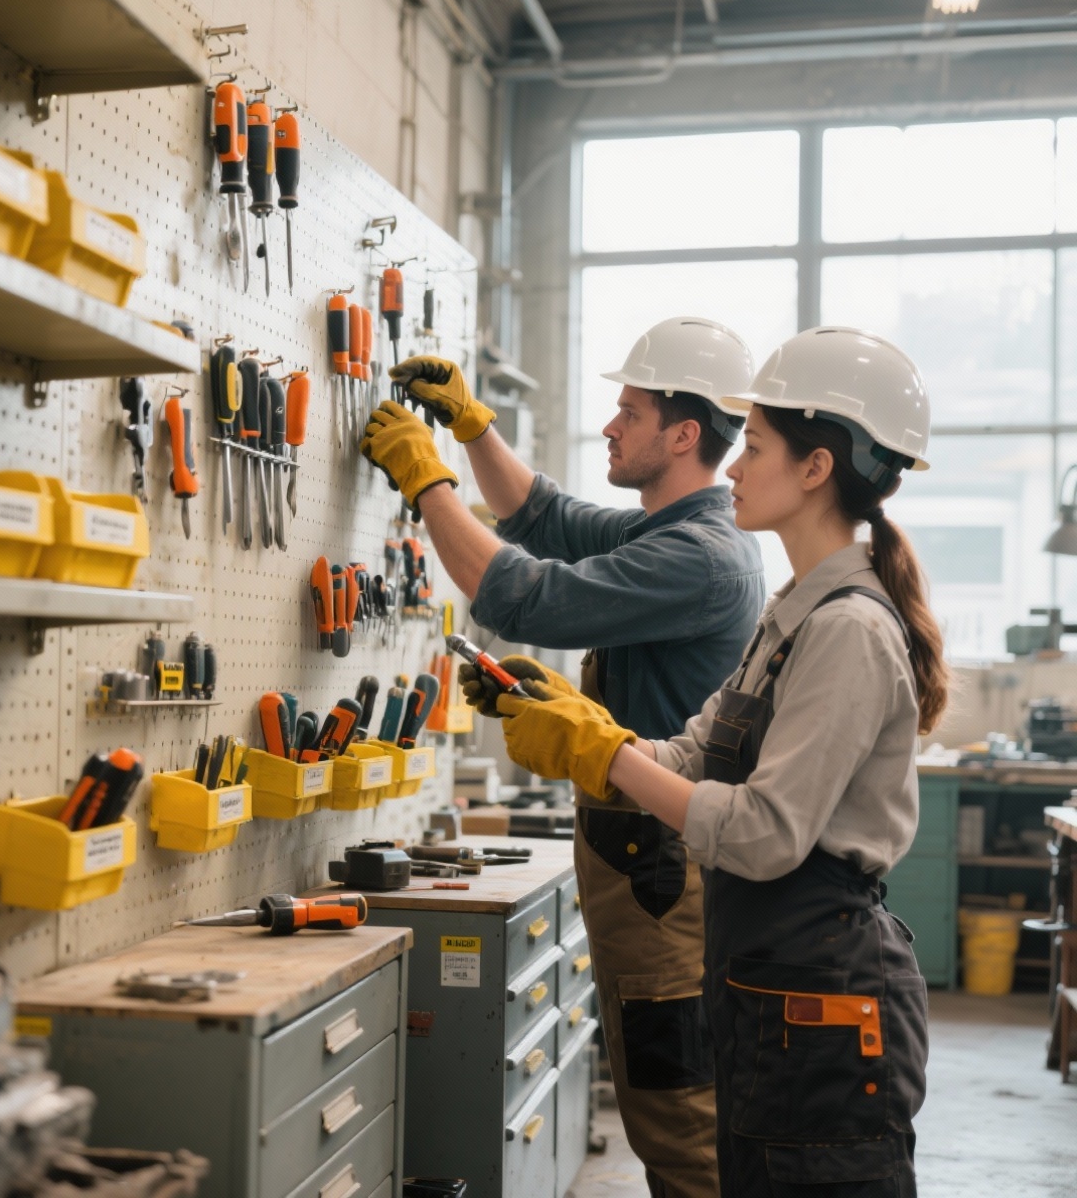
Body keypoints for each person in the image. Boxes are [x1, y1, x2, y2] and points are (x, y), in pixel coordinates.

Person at [464, 325, 946, 1198]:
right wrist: (580, 725)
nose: (732, 471)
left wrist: (604, 752)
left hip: (820, 991)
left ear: (816, 467)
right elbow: (692, 754)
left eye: (752, 447)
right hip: (762, 969)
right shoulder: (794, 613)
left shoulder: (848, 629)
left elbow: (763, 831)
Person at [360, 317, 766, 1198]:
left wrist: (428, 481)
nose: (611, 427)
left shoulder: (700, 558)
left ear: (683, 434)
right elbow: (545, 518)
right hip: (640, 862)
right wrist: (474, 428)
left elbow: (522, 595)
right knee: (662, 1103)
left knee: (680, 1121)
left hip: (661, 873)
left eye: (630, 412)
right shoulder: (675, 530)